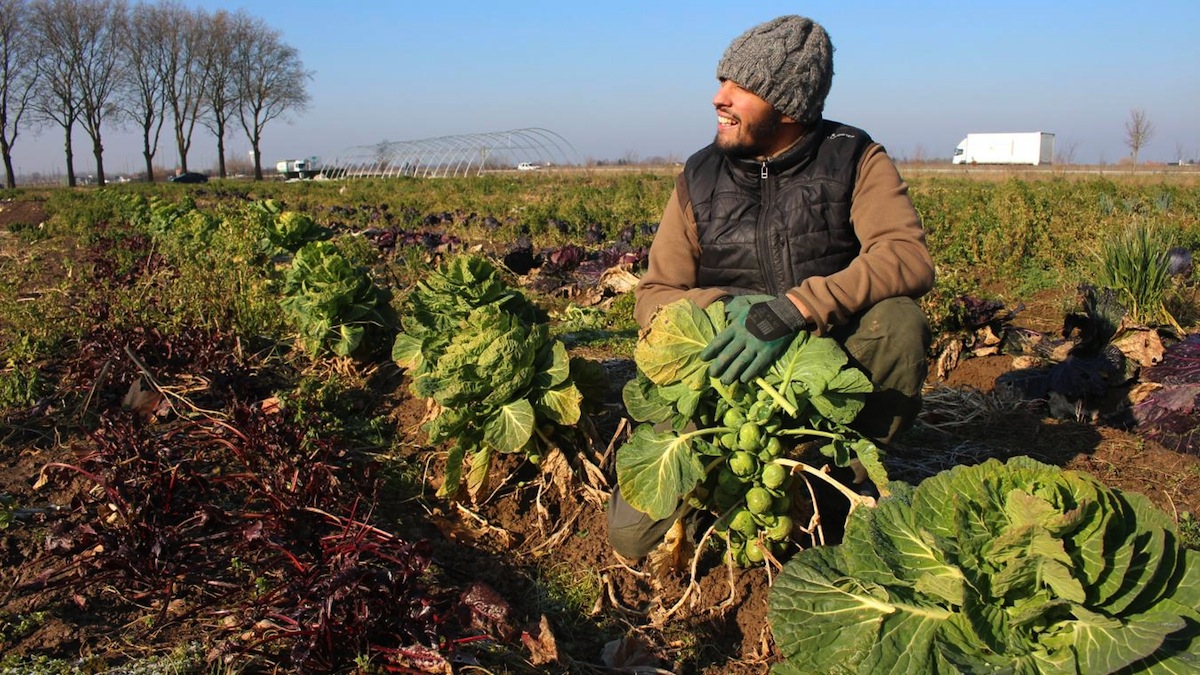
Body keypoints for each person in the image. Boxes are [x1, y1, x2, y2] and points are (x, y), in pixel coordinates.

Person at [607, 14, 936, 560]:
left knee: (898, 322)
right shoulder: (699, 175)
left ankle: (842, 473)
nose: (719, 97)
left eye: (741, 87)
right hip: (723, 375)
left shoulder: (855, 158)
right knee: (630, 537)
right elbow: (654, 295)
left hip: (820, 371)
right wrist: (738, 308)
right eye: (722, 81)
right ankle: (730, 483)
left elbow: (906, 256)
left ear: (787, 106)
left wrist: (795, 310)